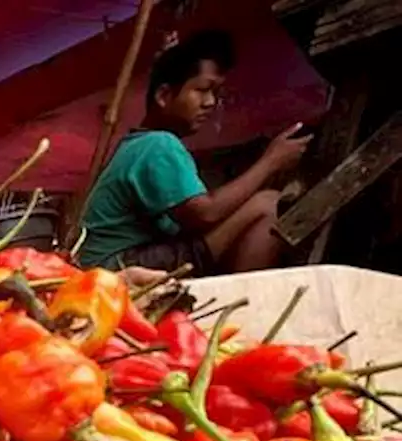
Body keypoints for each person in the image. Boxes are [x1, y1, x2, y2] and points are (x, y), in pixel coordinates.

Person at [77, 30, 312, 275]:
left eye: (215, 93)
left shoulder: (138, 144)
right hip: (116, 268)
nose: (210, 102)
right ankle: (246, 303)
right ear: (164, 96)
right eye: (202, 90)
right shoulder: (158, 145)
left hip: (111, 265)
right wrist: (271, 162)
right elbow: (205, 214)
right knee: (268, 204)